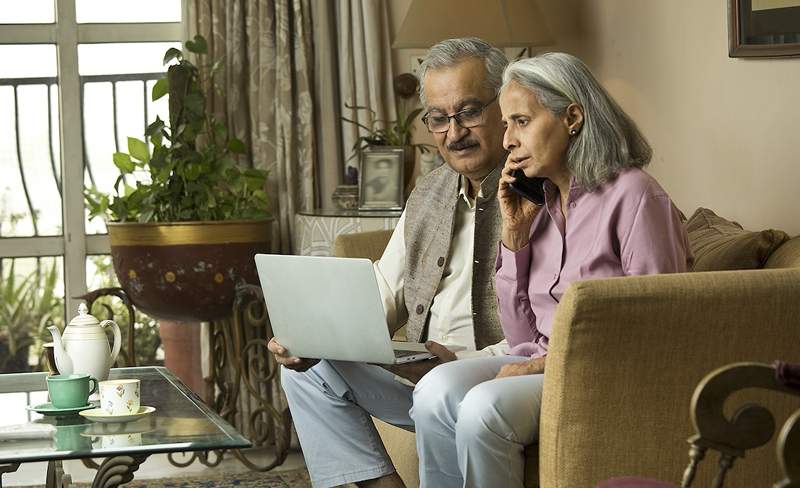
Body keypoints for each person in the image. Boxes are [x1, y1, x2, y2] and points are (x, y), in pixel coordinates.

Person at [410, 52, 693, 488]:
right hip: (542, 363)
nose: (507, 141)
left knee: (485, 408)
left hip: (605, 372)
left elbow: (658, 328)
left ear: (572, 118)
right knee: (433, 390)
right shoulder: (536, 201)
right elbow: (522, 338)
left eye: (521, 122)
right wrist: (515, 237)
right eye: (506, 125)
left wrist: (542, 366)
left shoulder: (635, 196)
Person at [268, 37, 511, 488]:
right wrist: (312, 336)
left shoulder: (535, 191)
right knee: (307, 372)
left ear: (505, 105)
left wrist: (458, 361)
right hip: (419, 375)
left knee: (444, 388)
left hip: (494, 380)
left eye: (470, 111)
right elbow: (383, 290)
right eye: (439, 119)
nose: (454, 133)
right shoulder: (430, 192)